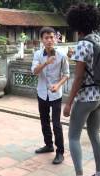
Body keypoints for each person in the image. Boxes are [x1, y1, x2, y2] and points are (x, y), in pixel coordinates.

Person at [63, 3, 100, 176]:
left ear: (75, 23)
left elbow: (79, 77)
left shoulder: (83, 43)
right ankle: (99, 175)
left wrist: (68, 103)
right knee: (95, 134)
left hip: (87, 97)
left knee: (73, 136)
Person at [31, 27, 69, 165]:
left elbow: (66, 74)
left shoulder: (62, 55)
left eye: (52, 37)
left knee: (56, 123)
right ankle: (48, 145)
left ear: (56, 39)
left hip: (55, 94)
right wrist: (46, 62)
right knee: (44, 121)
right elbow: (34, 71)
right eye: (46, 37)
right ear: (42, 40)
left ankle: (60, 152)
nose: (49, 40)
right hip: (42, 92)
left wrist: (58, 85)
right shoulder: (37, 55)